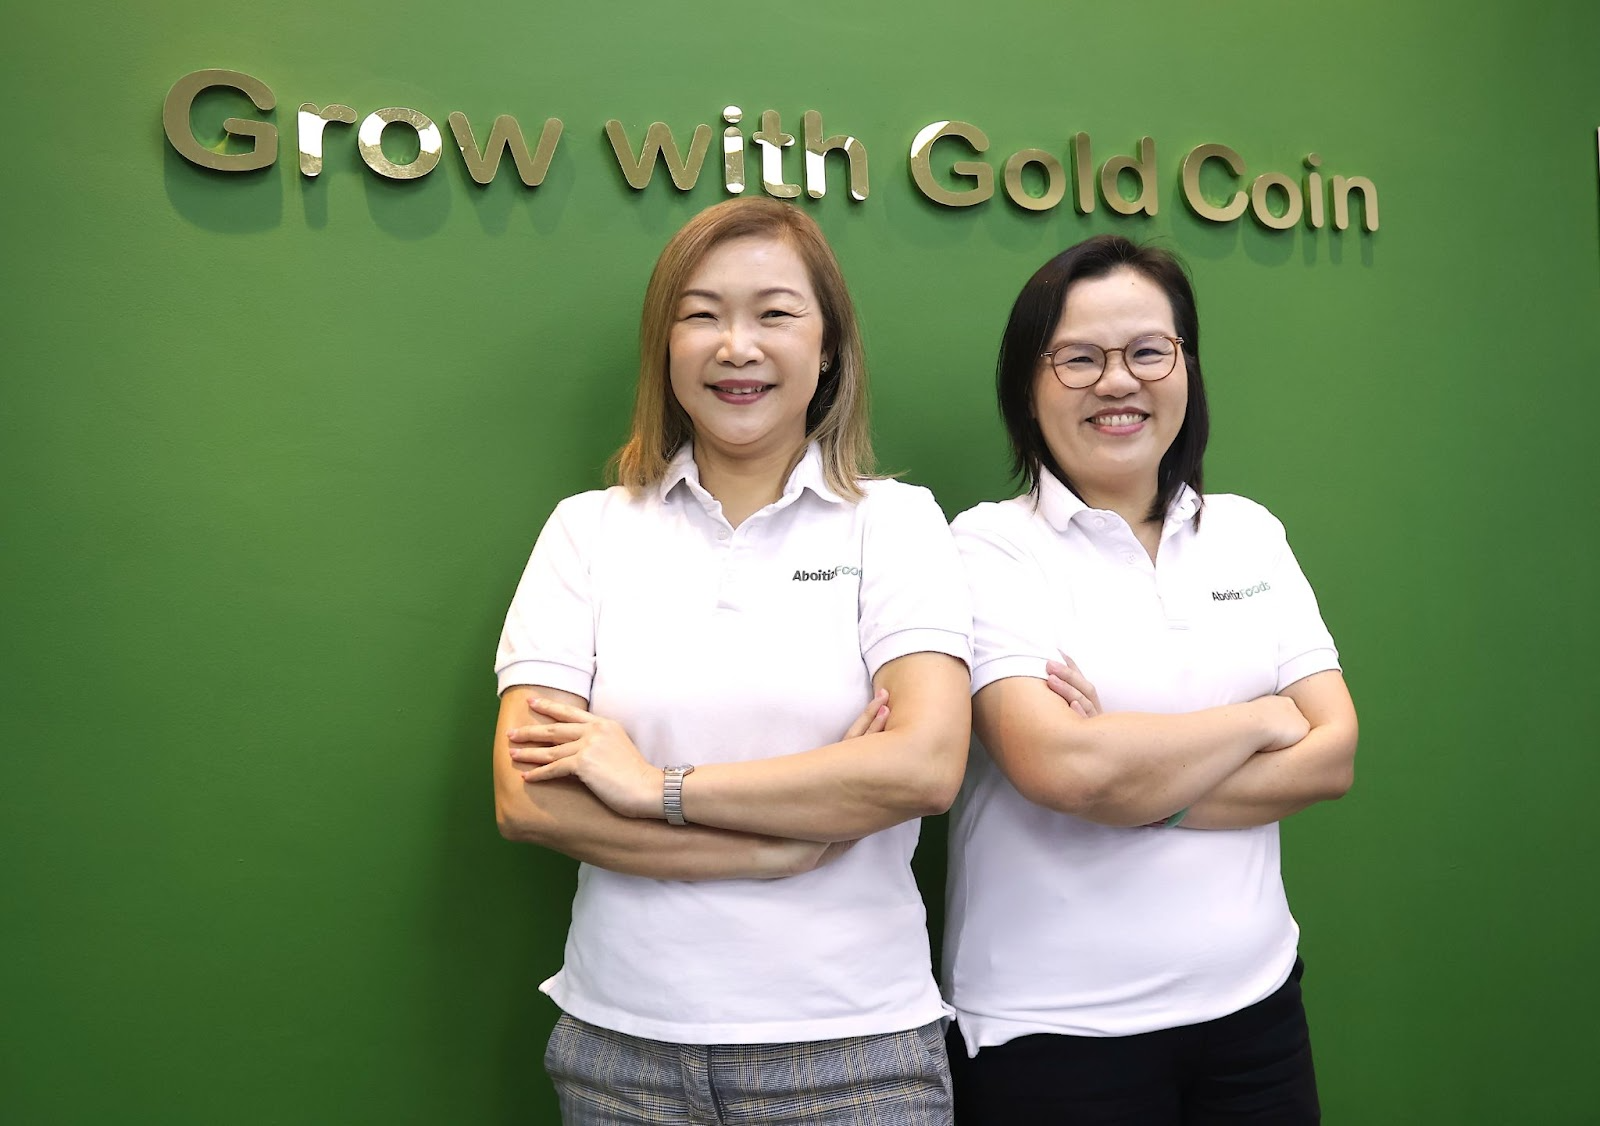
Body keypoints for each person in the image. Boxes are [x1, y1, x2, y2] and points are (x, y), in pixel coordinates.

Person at [492, 197, 972, 1126]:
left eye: (775, 314)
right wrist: (774, 850)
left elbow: (922, 765)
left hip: (852, 1056)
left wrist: (655, 789)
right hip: (620, 1056)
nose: (736, 347)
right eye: (702, 314)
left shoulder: (894, 522)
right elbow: (528, 797)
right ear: (666, 349)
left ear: (827, 349)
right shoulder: (589, 531)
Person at [943, 234, 1358, 1124]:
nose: (1117, 382)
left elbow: (1333, 756)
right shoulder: (987, 547)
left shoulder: (1248, 534)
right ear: (1027, 385)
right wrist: (1261, 718)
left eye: (1147, 352)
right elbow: (1062, 769)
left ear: (1186, 368)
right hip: (1054, 1034)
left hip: (1257, 1012)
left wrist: (1132, 782)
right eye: (1079, 359)